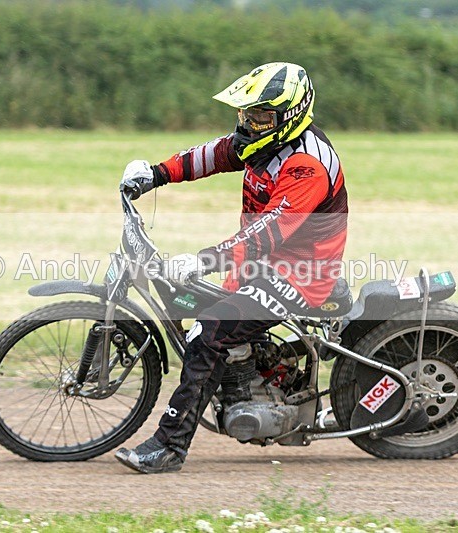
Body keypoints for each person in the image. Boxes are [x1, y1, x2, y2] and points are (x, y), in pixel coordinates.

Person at [115, 62, 348, 474]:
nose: (248, 124)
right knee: (198, 319)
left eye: (260, 116)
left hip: (299, 274)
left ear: (289, 116)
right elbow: (214, 154)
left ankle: (169, 448)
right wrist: (155, 174)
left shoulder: (306, 166)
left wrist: (202, 260)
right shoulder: (262, 141)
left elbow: (268, 232)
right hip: (261, 265)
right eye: (245, 114)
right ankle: (243, 382)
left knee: (209, 332)